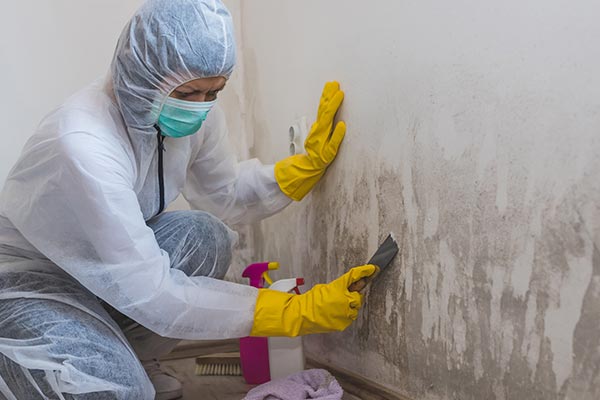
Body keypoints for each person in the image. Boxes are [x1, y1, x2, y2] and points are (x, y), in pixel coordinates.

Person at [0, 0, 377, 399]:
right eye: (188, 92)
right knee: (117, 391)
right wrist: (290, 311)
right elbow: (152, 293)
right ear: (142, 75)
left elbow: (226, 193)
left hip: (106, 276)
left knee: (204, 235)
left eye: (214, 91)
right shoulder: (82, 143)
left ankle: (133, 356)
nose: (199, 107)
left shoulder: (192, 110)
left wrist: (299, 170)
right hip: (35, 283)